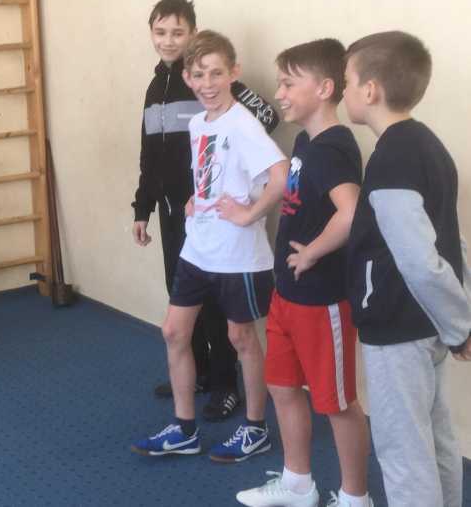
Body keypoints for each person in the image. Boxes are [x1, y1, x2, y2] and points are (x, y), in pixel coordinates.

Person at [132, 29, 287, 462]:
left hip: (238, 253)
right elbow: (214, 171)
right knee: (174, 332)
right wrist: (195, 198)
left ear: (233, 73)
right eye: (199, 75)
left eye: (217, 73)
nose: (207, 83)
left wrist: (250, 214)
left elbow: (281, 175)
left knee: (241, 337)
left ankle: (255, 428)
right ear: (187, 76)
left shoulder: (243, 123)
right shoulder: (199, 122)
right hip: (198, 248)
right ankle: (185, 429)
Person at [236, 39, 371, 507]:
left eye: (289, 84)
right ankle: (298, 485)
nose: (279, 93)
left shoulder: (334, 147)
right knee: (282, 385)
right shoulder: (304, 142)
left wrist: (312, 252)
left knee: (336, 403)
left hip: (322, 300)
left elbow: (351, 212)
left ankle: (355, 497)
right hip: (287, 295)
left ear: (325, 88)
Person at [342, 31, 471, 507]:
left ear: (370, 90)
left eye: (347, 81)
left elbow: (420, 258)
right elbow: (451, 241)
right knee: (434, 440)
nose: (344, 91)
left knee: (403, 452)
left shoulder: (392, 158)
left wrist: (460, 326)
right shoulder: (426, 144)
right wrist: (458, 321)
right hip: (426, 326)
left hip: (399, 329)